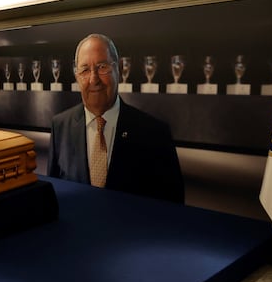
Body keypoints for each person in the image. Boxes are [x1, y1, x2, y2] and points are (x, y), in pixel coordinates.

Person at [48, 33, 184, 204]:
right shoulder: (60, 127)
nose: (93, 79)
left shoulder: (155, 133)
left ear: (118, 69)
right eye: (84, 70)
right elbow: (53, 196)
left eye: (102, 67)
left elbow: (173, 206)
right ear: (77, 76)